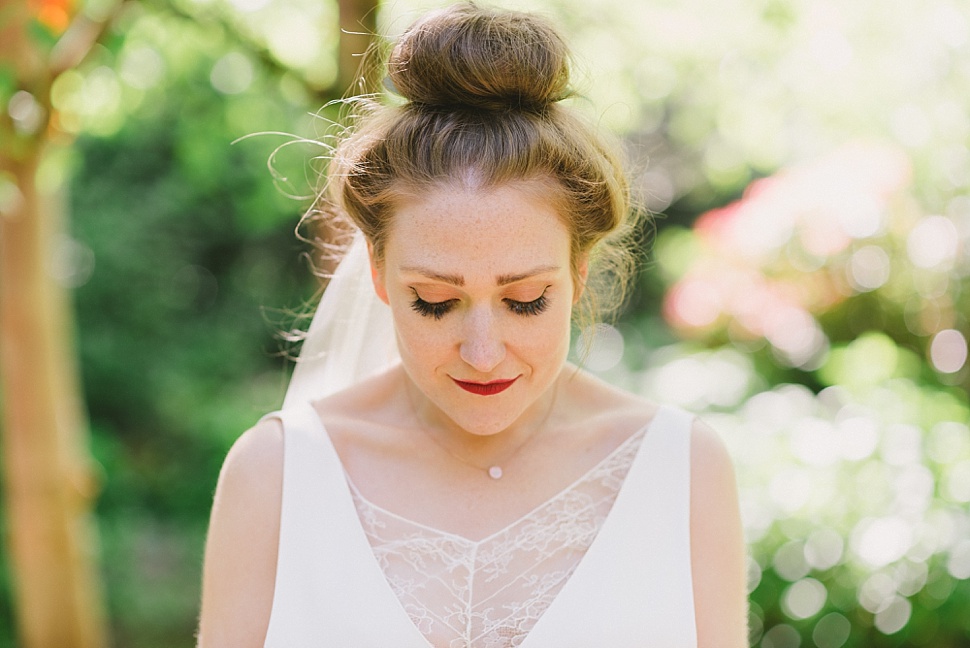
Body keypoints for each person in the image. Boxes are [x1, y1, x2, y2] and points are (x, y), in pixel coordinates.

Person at [197, 3, 747, 647]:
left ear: (577, 272)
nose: (483, 354)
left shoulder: (681, 470)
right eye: (434, 301)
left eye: (526, 299)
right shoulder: (276, 473)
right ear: (376, 270)